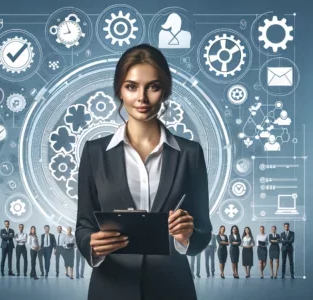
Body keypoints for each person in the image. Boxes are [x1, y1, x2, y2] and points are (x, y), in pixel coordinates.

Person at [76, 44, 212, 300]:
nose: (142, 98)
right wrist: (92, 245)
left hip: (173, 288)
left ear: (165, 92)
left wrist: (187, 236)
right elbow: (83, 225)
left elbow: (203, 232)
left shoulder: (190, 154)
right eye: (132, 86)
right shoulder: (94, 152)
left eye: (153, 86)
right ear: (119, 90)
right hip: (111, 288)